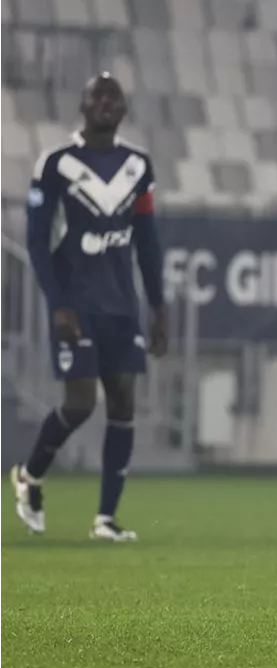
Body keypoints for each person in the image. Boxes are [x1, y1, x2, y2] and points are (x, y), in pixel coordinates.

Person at [9, 72, 167, 541]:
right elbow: (37, 242)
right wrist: (57, 303)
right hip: (76, 301)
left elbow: (147, 239)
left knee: (122, 402)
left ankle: (105, 520)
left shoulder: (138, 166)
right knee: (80, 403)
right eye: (97, 94)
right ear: (82, 104)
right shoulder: (56, 164)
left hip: (121, 303)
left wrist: (159, 307)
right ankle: (29, 476)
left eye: (113, 96)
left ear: (122, 108)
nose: (105, 102)